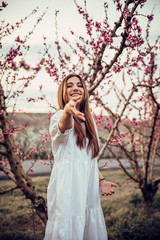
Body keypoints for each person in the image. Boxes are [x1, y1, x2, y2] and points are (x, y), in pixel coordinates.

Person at [44, 74, 117, 240]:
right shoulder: (59, 117)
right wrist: (68, 111)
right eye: (69, 85)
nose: (75, 87)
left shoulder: (89, 121)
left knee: (87, 226)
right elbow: (64, 126)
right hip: (67, 186)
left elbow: (88, 158)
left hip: (87, 185)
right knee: (68, 226)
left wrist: (101, 180)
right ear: (63, 92)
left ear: (84, 91)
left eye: (79, 85)